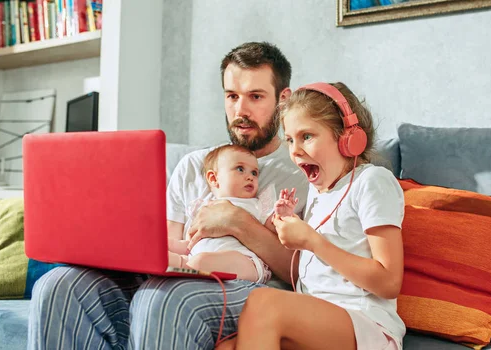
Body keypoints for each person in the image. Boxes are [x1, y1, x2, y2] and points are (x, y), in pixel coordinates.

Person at [28, 41, 309, 349]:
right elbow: (166, 252)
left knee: (162, 298)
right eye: (231, 96)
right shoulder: (193, 165)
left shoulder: (303, 172)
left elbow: (301, 274)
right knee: (57, 286)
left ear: (283, 100)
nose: (240, 111)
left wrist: (238, 221)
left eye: (255, 96)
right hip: (177, 277)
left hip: (251, 285)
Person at [220, 82, 406, 350]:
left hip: (366, 324)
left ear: (347, 137)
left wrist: (312, 241)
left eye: (307, 136)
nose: (295, 150)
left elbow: (389, 282)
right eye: (290, 139)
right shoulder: (319, 191)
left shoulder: (372, 181)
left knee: (264, 302)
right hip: (318, 321)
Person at [168, 144, 278, 283]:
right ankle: (182, 265)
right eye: (240, 169)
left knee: (201, 262)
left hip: (245, 262)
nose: (250, 177)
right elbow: (190, 242)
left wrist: (282, 214)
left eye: (254, 173)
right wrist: (168, 245)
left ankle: (186, 267)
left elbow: (271, 230)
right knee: (168, 255)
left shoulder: (256, 204)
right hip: (197, 259)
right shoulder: (204, 207)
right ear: (214, 179)